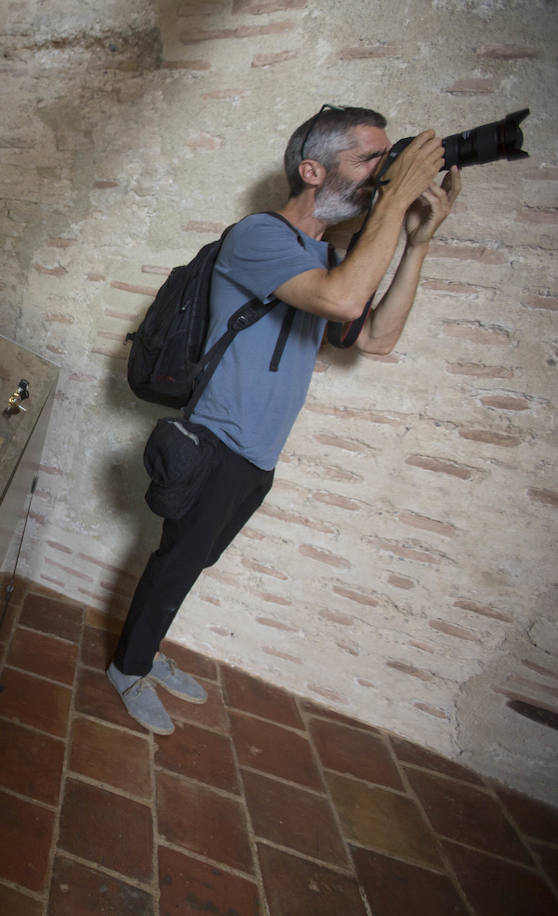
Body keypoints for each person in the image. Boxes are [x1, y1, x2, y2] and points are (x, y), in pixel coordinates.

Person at [108, 105, 462, 734]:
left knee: (193, 560)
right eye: (370, 159)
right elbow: (344, 300)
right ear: (311, 170)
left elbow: (376, 335)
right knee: (176, 561)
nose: (383, 173)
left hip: (260, 453)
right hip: (216, 438)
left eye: (388, 160)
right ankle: (128, 668)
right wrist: (398, 191)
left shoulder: (327, 258)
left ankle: (147, 648)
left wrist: (419, 240)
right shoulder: (260, 238)